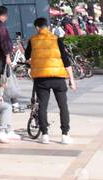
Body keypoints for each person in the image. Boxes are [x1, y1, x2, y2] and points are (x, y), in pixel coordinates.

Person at [27, 17, 76, 145]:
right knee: (63, 106)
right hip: (58, 78)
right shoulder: (57, 40)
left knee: (43, 106)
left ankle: (45, 135)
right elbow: (66, 61)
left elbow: (27, 58)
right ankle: (65, 135)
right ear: (47, 27)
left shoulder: (32, 40)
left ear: (37, 28)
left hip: (41, 79)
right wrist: (72, 80)